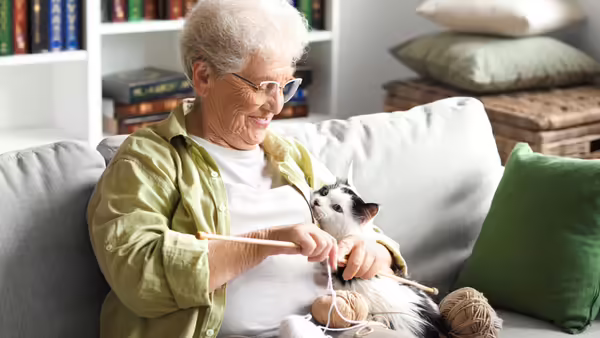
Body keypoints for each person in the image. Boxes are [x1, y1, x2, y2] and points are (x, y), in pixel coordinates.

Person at [87, 0, 406, 337]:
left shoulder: (290, 155)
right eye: (263, 86)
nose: (278, 105)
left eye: (286, 86)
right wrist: (263, 242)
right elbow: (137, 274)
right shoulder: (148, 161)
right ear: (204, 76)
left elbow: (370, 235)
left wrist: (371, 253)